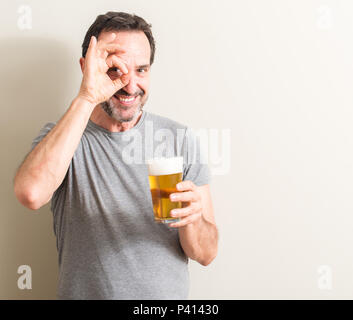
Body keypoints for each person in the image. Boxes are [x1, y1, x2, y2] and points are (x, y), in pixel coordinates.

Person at [14, 11, 218, 300]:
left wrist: (194, 220)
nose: (130, 85)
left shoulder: (179, 138)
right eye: (114, 70)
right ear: (86, 68)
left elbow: (207, 254)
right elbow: (30, 194)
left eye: (141, 70)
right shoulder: (64, 138)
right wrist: (87, 97)